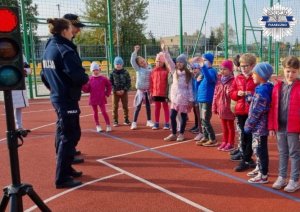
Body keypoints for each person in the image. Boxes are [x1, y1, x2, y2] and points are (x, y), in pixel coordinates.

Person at [41, 18, 89, 188]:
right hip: (66, 99)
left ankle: (67, 169)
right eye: (71, 28)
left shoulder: (48, 49)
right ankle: (62, 177)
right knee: (70, 136)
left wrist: (54, 88)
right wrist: (85, 78)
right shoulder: (64, 50)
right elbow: (78, 76)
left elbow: (43, 75)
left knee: (66, 133)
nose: (73, 31)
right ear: (64, 31)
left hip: (58, 96)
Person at [269, 56, 300, 192]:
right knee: (282, 152)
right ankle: (282, 177)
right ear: (283, 70)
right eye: (288, 71)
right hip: (280, 126)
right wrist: (271, 126)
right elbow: (272, 107)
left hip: (294, 128)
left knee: (294, 153)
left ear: (298, 71)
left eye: (293, 71)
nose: (290, 74)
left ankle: (294, 179)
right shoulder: (277, 87)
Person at [244, 62, 273, 184]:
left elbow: (257, 111)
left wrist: (248, 125)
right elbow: (258, 103)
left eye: (254, 74)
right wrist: (250, 97)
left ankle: (263, 175)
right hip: (259, 127)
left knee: (260, 150)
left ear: (261, 75)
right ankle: (260, 169)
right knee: (258, 149)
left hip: (259, 127)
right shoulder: (263, 89)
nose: (252, 76)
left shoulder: (262, 91)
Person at [63, 13, 86, 161]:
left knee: (70, 129)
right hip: (66, 94)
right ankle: (66, 157)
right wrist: (84, 78)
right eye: (76, 27)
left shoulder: (65, 45)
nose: (78, 30)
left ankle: (68, 152)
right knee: (68, 130)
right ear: (67, 26)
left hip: (69, 93)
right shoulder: (62, 47)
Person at [230, 53, 257, 172]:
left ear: (252, 66)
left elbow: (259, 94)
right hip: (240, 110)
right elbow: (232, 93)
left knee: (250, 136)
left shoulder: (256, 78)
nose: (244, 68)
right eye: (242, 66)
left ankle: (246, 159)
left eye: (246, 66)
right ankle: (247, 158)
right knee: (244, 135)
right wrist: (237, 94)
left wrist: (250, 95)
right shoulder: (238, 78)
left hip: (251, 112)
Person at [163, 46, 194, 142]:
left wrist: (191, 99)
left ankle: (181, 134)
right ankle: (173, 133)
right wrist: (165, 52)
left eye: (180, 62)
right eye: (177, 62)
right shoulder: (174, 72)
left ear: (184, 63)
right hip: (175, 99)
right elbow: (169, 62)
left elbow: (190, 88)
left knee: (183, 116)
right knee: (172, 116)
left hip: (184, 98)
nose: (178, 63)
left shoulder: (188, 74)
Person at [194, 53, 218, 147]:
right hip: (201, 98)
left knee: (205, 120)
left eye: (204, 60)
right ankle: (205, 136)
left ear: (209, 61)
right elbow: (198, 87)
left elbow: (210, 80)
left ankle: (212, 138)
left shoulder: (211, 71)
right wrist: (197, 82)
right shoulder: (204, 72)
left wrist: (203, 67)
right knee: (202, 119)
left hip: (207, 99)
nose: (202, 62)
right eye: (202, 60)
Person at [82, 62, 112, 132]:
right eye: (93, 70)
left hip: (101, 98)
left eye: (96, 70)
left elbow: (109, 85)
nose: (95, 71)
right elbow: (87, 90)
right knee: (95, 112)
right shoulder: (90, 79)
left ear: (99, 70)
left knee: (104, 112)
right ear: (91, 71)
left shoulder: (103, 78)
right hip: (93, 99)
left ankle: (108, 125)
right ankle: (97, 125)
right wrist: (82, 86)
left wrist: (107, 93)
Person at [212, 60, 235, 151]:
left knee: (230, 127)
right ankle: (224, 141)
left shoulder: (233, 81)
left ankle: (231, 143)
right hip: (221, 107)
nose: (222, 71)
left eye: (225, 69)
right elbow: (215, 94)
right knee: (224, 127)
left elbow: (233, 96)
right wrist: (214, 106)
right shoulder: (219, 81)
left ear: (230, 70)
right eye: (221, 69)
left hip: (229, 108)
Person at [130, 45, 154, 130]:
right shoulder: (138, 69)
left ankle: (149, 120)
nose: (143, 63)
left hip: (147, 91)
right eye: (141, 62)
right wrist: (135, 52)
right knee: (138, 107)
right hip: (140, 91)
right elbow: (133, 61)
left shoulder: (150, 68)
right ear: (138, 64)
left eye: (143, 61)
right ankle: (134, 122)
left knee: (148, 106)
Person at [149, 52, 170, 130]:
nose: (158, 63)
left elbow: (168, 83)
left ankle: (167, 123)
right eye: (157, 61)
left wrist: (167, 93)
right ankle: (156, 123)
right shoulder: (153, 71)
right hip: (155, 93)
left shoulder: (166, 71)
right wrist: (151, 92)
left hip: (164, 94)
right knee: (157, 108)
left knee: (165, 107)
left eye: (160, 61)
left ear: (163, 62)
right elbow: (151, 82)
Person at [109, 56, 131, 127]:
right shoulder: (112, 73)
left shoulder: (125, 72)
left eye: (119, 64)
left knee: (125, 106)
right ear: (114, 65)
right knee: (115, 107)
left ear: (122, 64)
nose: (118, 65)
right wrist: (115, 90)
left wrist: (124, 90)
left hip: (124, 92)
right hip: (115, 93)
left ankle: (126, 119)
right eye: (116, 64)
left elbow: (129, 82)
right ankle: (115, 120)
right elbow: (110, 83)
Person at [12, 55, 31, 131]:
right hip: (7, 83)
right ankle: (12, 127)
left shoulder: (20, 55)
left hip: (19, 83)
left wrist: (25, 71)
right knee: (9, 105)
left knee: (19, 105)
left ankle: (19, 126)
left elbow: (28, 69)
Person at [190, 63, 202, 136]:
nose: (194, 70)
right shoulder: (193, 77)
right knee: (195, 112)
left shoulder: (200, 76)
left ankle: (199, 127)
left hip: (198, 98)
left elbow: (197, 86)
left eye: (195, 68)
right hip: (194, 97)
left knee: (199, 114)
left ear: (199, 69)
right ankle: (196, 125)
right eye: (193, 69)